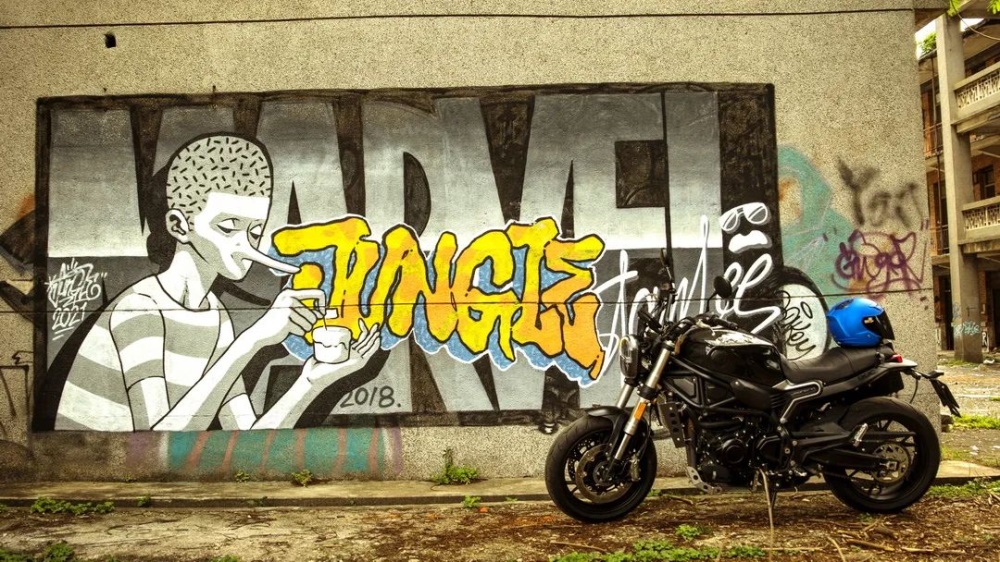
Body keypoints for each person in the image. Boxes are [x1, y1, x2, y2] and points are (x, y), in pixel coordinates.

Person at [52, 133, 379, 432]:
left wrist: (313, 380)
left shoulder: (215, 316)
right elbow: (155, 443)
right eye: (228, 228)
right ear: (179, 226)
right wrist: (253, 339)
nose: (245, 245)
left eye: (255, 231)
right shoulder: (140, 310)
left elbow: (247, 440)